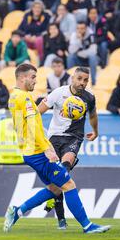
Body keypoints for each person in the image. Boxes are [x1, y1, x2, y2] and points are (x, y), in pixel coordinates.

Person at [4, 63, 110, 234]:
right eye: (32, 77)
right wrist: (47, 148)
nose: (35, 81)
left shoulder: (13, 96)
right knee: (68, 184)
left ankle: (17, 212)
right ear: (22, 78)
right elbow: (33, 126)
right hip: (38, 151)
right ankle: (87, 226)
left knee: (55, 188)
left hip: (29, 151)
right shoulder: (25, 98)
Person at [37, 66, 98, 229]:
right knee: (59, 181)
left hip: (74, 138)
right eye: (80, 79)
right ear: (73, 78)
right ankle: (61, 220)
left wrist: (96, 131)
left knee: (64, 169)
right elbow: (38, 112)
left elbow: (93, 116)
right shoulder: (58, 93)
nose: (82, 83)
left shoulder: (89, 98)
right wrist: (36, 133)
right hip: (54, 138)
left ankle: (58, 208)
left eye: (86, 80)